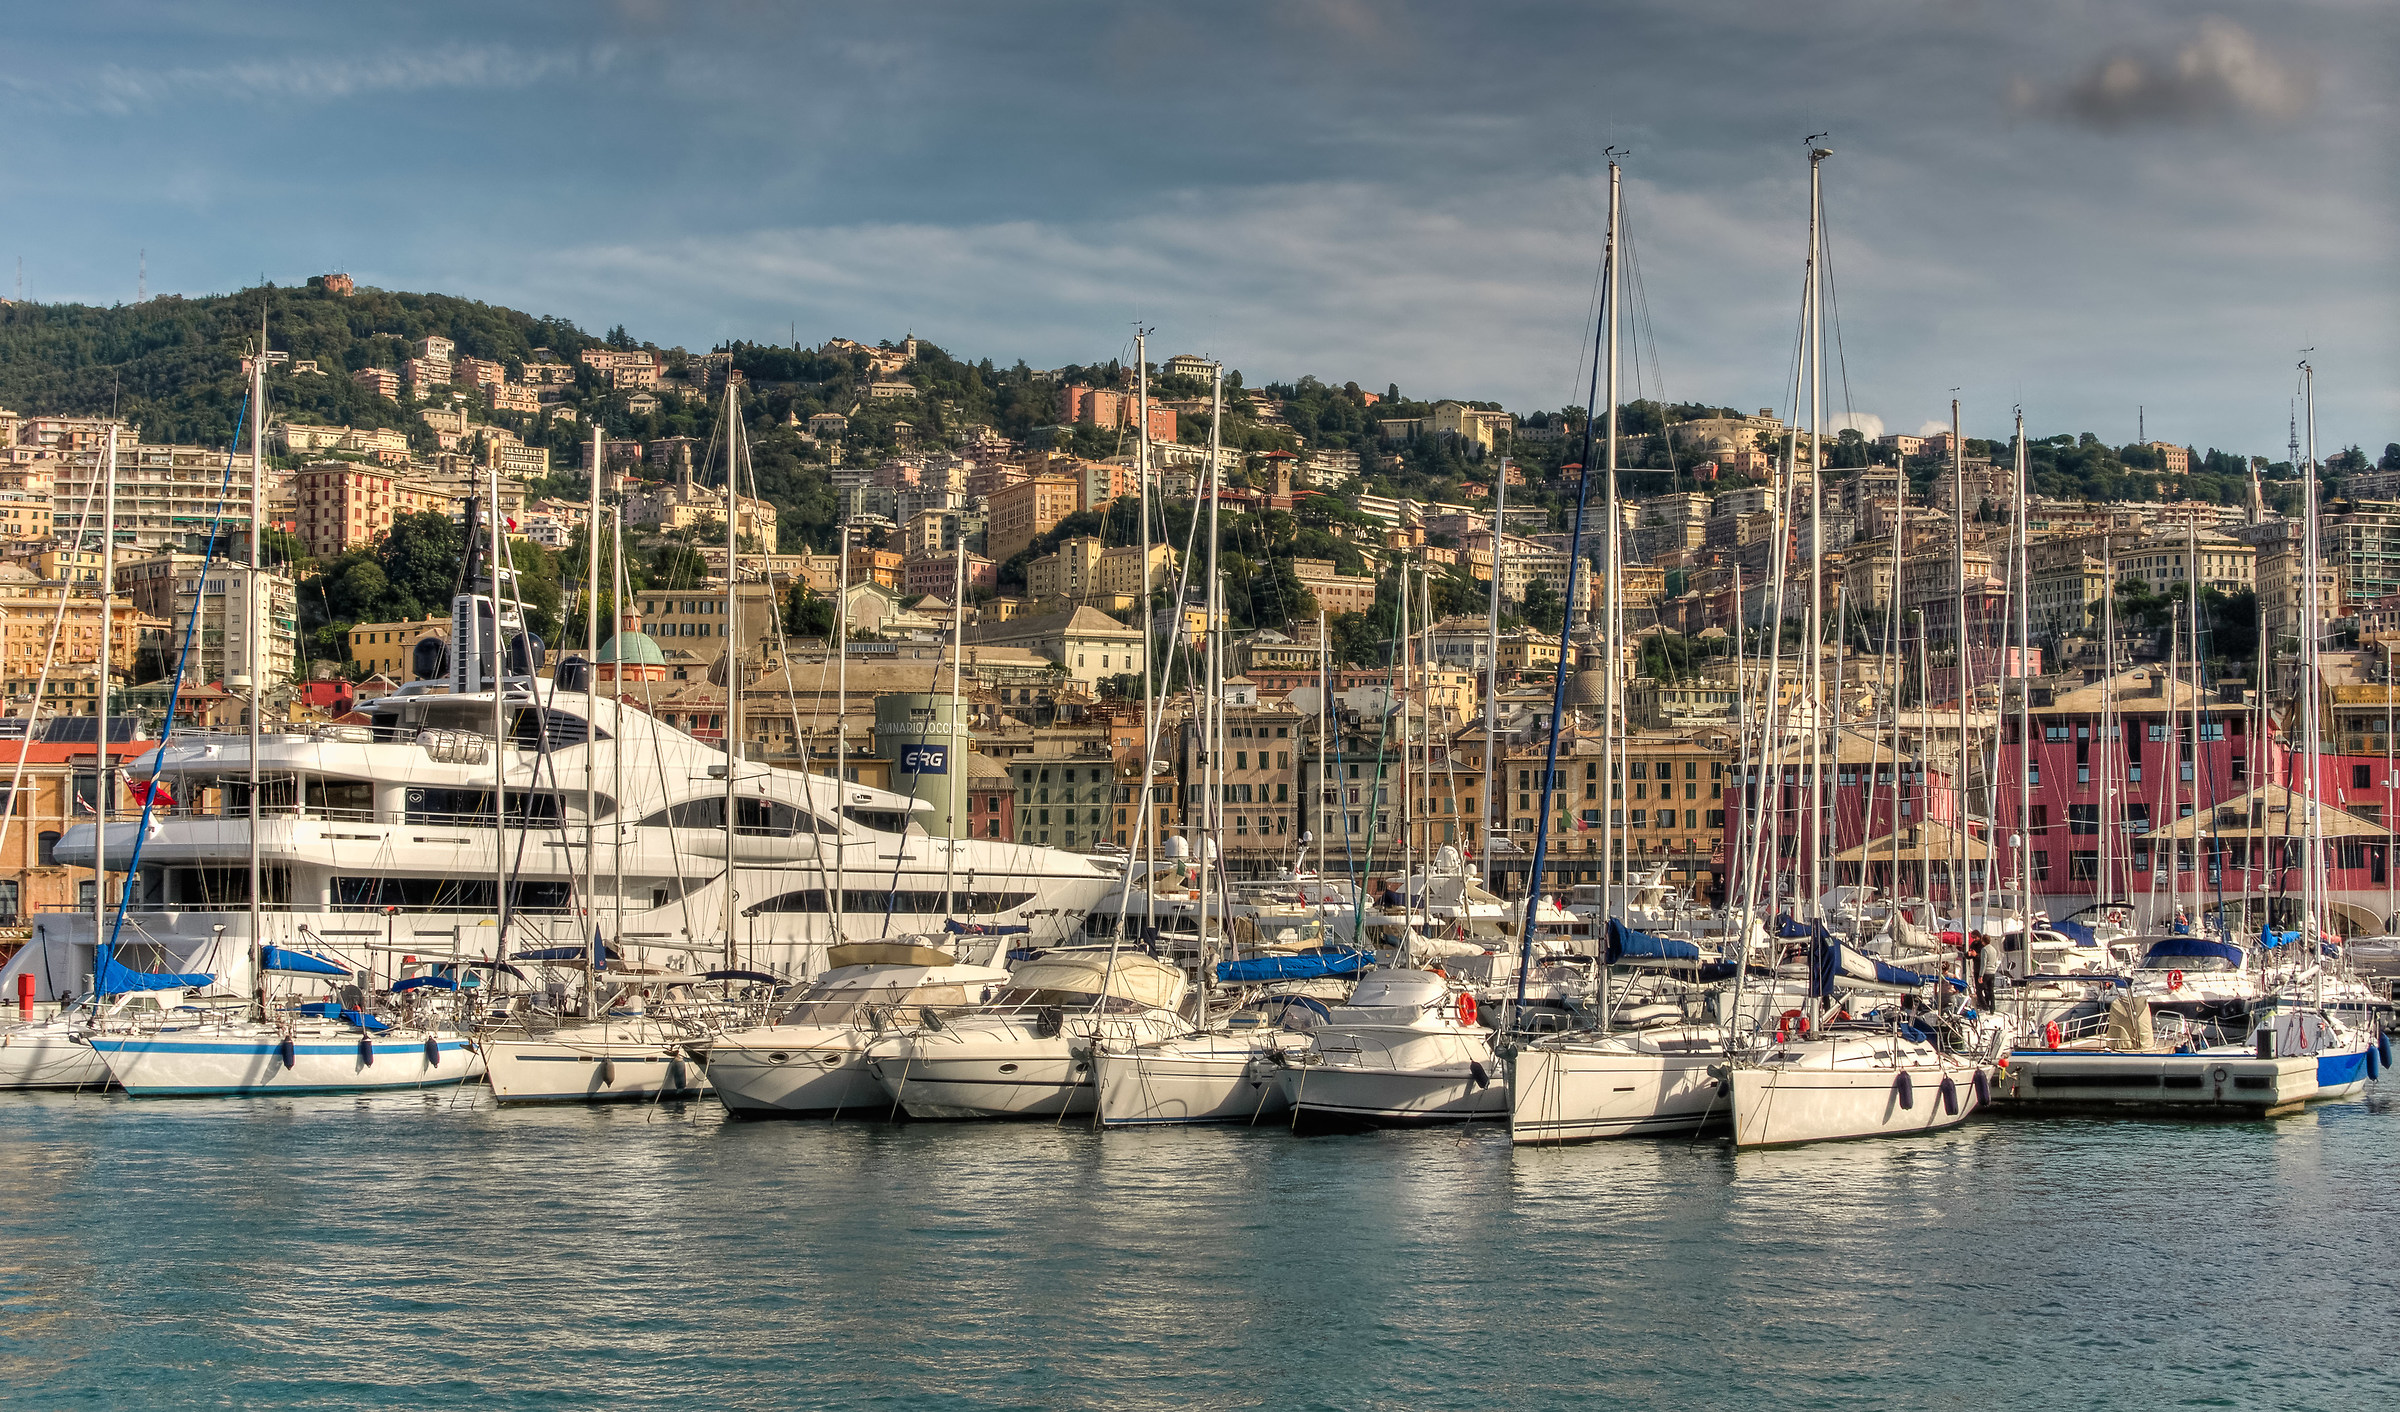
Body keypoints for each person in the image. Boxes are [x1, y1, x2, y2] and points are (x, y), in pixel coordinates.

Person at [1975, 933, 2002, 1010]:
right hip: (1992, 973)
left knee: (1979, 991)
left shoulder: (1984, 950)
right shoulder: (1994, 950)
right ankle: (1992, 1008)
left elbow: (1983, 963)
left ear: (1983, 941)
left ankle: (1985, 1007)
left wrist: (1980, 975)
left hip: (1986, 972)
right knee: (1990, 991)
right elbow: (1995, 962)